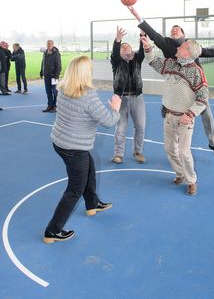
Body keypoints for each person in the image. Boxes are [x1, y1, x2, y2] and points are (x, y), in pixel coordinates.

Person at [126, 5, 214, 158]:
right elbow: (153, 34)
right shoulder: (167, 44)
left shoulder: (192, 46)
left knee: (207, 115)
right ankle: (177, 147)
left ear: (184, 35)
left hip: (193, 85)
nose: (174, 30)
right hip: (177, 85)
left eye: (177, 29)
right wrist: (138, 16)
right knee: (174, 115)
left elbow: (208, 51)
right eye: (172, 29)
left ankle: (213, 143)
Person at [43, 56, 121, 244]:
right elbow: (109, 122)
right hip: (74, 147)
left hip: (60, 142)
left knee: (90, 168)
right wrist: (116, 108)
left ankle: (92, 203)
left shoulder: (63, 88)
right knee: (74, 189)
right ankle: (52, 231)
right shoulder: (88, 95)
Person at [142, 36, 208, 195]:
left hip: (185, 119)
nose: (177, 48)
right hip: (169, 116)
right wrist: (147, 48)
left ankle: (191, 181)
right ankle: (180, 174)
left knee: (184, 152)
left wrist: (190, 114)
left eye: (181, 47)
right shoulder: (170, 63)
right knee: (170, 149)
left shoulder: (196, 72)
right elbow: (152, 61)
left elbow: (203, 98)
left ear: (187, 52)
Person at [110, 26, 146, 164]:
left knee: (141, 126)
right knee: (120, 128)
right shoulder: (116, 61)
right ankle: (118, 154)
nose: (125, 48)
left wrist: (143, 35)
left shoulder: (137, 60)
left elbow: (142, 50)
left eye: (128, 47)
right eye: (122, 47)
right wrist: (118, 40)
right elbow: (114, 52)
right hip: (121, 98)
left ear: (132, 50)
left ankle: (138, 151)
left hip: (137, 97)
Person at [40, 40, 61, 112]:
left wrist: (56, 75)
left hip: (53, 76)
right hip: (46, 75)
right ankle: (50, 106)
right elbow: (43, 63)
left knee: (55, 91)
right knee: (48, 91)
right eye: (48, 43)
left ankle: (55, 106)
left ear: (53, 44)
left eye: (50, 44)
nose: (49, 45)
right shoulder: (45, 52)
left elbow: (58, 65)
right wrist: (41, 71)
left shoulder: (56, 53)